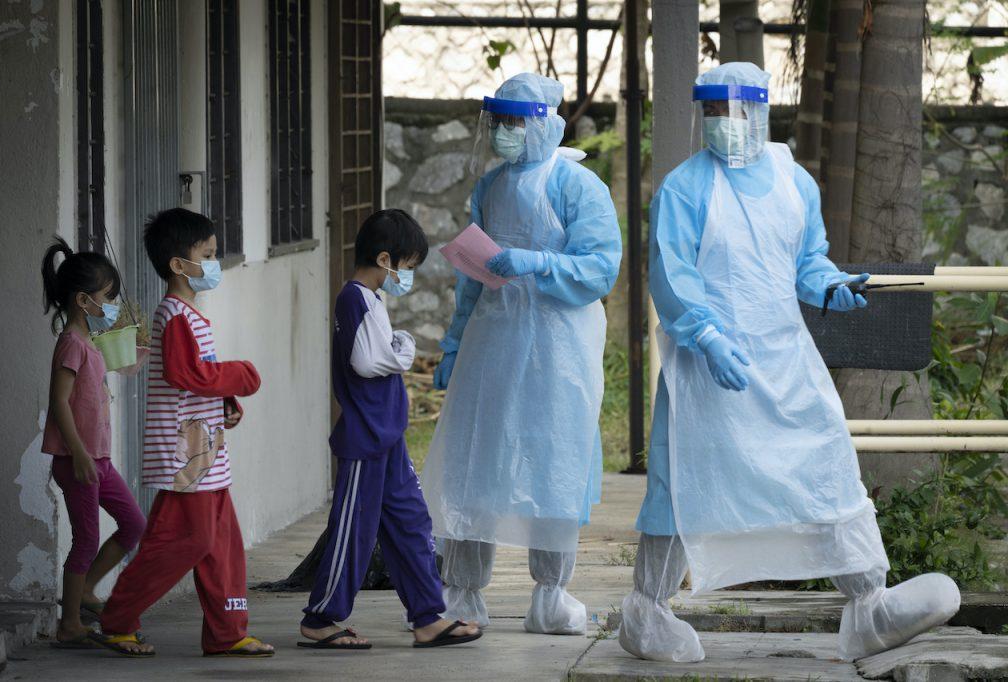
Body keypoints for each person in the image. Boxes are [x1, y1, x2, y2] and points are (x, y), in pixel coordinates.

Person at [618, 62, 960, 664]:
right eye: (713, 112)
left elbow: (807, 260)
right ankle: (647, 612)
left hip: (785, 357)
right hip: (709, 367)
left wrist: (829, 286)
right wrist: (706, 335)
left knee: (824, 461)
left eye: (734, 110)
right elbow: (672, 277)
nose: (724, 123)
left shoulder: (793, 180)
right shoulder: (684, 187)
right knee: (683, 483)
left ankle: (870, 606)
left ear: (760, 109)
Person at [423, 72, 622, 635]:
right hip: (494, 337)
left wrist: (539, 263)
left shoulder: (578, 185)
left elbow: (601, 267)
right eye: (500, 121)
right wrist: (456, 342)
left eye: (515, 121)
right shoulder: (490, 186)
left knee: (554, 462)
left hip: (560, 346)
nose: (506, 132)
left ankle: (551, 595)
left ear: (543, 123)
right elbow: (471, 276)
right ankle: (461, 594)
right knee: (473, 460)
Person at [298, 209, 482, 650]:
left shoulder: (372, 300)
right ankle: (321, 618)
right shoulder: (355, 298)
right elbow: (367, 361)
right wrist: (403, 349)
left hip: (387, 436)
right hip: (366, 438)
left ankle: (427, 616)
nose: (408, 276)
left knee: (412, 524)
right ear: (386, 259)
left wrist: (396, 345)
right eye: (408, 266)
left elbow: (378, 351)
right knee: (354, 531)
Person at [92, 208, 272, 657]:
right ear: (179, 265)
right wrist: (242, 375)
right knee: (186, 542)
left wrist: (226, 404)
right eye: (207, 255)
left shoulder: (188, 315)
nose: (214, 263)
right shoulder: (174, 316)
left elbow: (197, 381)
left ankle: (228, 632)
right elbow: (187, 373)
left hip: (204, 454)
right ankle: (117, 621)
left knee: (220, 544)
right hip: (185, 457)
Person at [39, 238, 147, 650]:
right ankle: (69, 623)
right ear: (84, 301)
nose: (114, 305)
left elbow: (112, 367)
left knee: (134, 523)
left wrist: (138, 353)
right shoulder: (70, 343)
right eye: (109, 298)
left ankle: (84, 592)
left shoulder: (89, 342)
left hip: (97, 459)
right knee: (85, 538)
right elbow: (59, 402)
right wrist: (80, 454)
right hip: (78, 459)